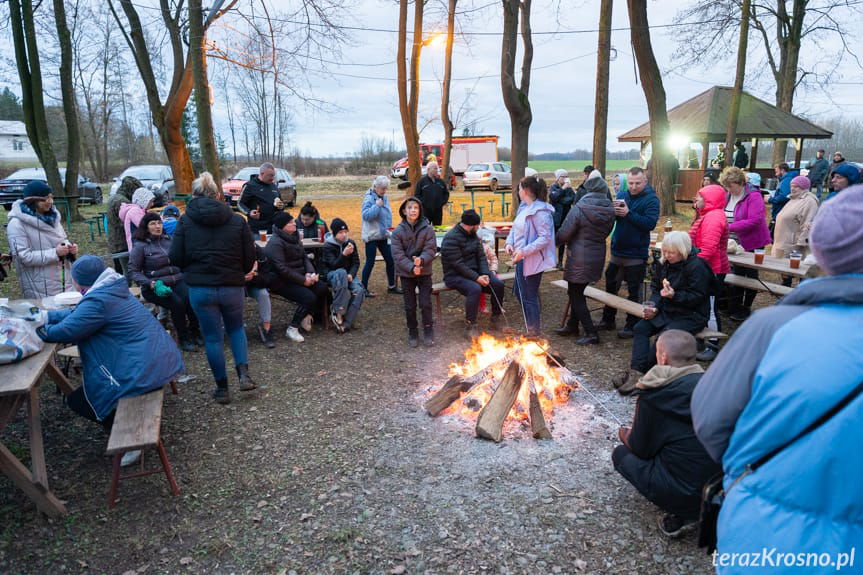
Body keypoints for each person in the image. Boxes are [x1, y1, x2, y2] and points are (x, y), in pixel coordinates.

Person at [691, 185, 863, 571]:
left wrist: (752, 468)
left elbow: (710, 418)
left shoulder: (773, 327)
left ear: (824, 248)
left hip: (769, 536)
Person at [38, 256, 183, 441]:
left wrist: (37, 330)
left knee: (79, 401)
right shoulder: (110, 290)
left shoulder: (98, 301)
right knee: (89, 393)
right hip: (157, 359)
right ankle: (128, 425)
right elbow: (77, 314)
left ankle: (132, 435)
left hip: (143, 371)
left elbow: (67, 331)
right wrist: (45, 317)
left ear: (79, 280)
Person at [613, 330, 721, 538]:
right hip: (726, 482)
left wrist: (625, 434)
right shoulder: (717, 385)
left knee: (621, 454)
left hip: (688, 492)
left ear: (662, 357)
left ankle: (685, 512)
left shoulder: (655, 394)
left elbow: (640, 450)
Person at [169, 172, 256, 404]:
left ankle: (222, 388)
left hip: (200, 288)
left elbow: (175, 256)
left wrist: (193, 267)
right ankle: (244, 374)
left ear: (194, 195)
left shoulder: (185, 221)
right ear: (218, 195)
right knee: (236, 329)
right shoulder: (237, 220)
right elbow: (249, 260)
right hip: (232, 286)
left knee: (213, 338)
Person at [613, 231, 712, 394]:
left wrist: (675, 295)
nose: (667, 255)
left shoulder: (697, 266)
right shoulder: (664, 263)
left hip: (692, 315)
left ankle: (648, 378)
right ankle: (636, 372)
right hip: (669, 309)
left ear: (683, 250)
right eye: (665, 251)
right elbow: (657, 288)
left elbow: (698, 296)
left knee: (662, 339)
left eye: (671, 252)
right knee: (640, 328)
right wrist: (655, 307)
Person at [599, 167, 660, 338]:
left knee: (634, 291)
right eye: (631, 183)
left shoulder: (651, 199)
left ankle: (631, 324)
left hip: (636, 253)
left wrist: (628, 213)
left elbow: (649, 223)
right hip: (618, 249)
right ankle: (608, 319)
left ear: (645, 182)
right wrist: (613, 213)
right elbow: (616, 219)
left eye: (637, 183)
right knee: (611, 286)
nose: (633, 186)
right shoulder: (622, 195)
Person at [555, 173, 615, 345]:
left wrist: (556, 242)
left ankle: (591, 332)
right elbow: (607, 231)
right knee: (577, 291)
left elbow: (565, 232)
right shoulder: (610, 209)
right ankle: (572, 325)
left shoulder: (580, 207)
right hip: (597, 254)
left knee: (575, 293)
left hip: (579, 256)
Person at [128, 212, 201, 352]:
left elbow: (183, 259)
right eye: (153, 224)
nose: (157, 226)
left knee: (191, 298)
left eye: (159, 223)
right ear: (146, 227)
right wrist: (149, 283)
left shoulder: (169, 240)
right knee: (177, 304)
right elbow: (133, 271)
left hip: (177, 279)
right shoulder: (140, 246)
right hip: (155, 285)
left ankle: (195, 332)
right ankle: (183, 338)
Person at [6, 180, 79, 299]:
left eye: (51, 198)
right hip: (39, 285)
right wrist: (55, 253)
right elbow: (23, 257)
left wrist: (69, 248)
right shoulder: (17, 224)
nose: (50, 202)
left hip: (64, 278)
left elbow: (61, 239)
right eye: (44, 199)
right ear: (32, 200)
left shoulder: (52, 218)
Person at [265, 211, 328, 343]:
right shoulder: (275, 243)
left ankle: (307, 315)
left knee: (322, 287)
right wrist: (303, 280)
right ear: (283, 226)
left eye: (293, 221)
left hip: (298, 276)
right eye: (290, 222)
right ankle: (292, 328)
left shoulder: (295, 237)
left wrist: (309, 273)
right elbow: (281, 269)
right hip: (280, 281)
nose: (295, 223)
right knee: (308, 297)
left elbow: (304, 258)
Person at [442, 209, 505, 339]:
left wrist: (485, 273)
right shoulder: (450, 238)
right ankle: (471, 326)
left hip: (476, 273)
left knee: (498, 284)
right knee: (475, 288)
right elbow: (458, 265)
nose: (478, 228)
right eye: (477, 225)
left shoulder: (473, 235)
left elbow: (481, 256)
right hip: (455, 275)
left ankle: (495, 319)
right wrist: (477, 278)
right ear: (470, 225)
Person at [505, 176, 556, 337]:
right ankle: (531, 325)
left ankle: (534, 331)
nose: (518, 191)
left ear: (526, 191)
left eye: (519, 188)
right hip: (521, 258)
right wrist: (509, 243)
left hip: (532, 260)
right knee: (519, 292)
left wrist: (524, 251)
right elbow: (514, 229)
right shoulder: (524, 207)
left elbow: (545, 238)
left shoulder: (541, 212)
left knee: (529, 295)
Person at [720, 167, 772, 322]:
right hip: (733, 241)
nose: (728, 189)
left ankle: (745, 307)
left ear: (740, 182)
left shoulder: (754, 196)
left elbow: (755, 220)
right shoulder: (728, 196)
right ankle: (734, 306)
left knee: (749, 275)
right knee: (735, 273)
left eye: (731, 186)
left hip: (751, 241)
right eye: (726, 186)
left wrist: (729, 227)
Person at [688, 185, 729, 361]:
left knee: (710, 307)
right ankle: (700, 339)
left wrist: (691, 265)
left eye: (699, 197)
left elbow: (709, 248)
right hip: (705, 267)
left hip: (712, 269)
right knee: (700, 306)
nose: (695, 199)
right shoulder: (706, 215)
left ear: (710, 199)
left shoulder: (713, 217)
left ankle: (712, 344)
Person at [391, 197, 437, 347]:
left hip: (424, 271)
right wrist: (412, 267)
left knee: (425, 303)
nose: (413, 210)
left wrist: (421, 261)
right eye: (410, 208)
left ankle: (428, 330)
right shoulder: (397, 231)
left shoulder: (428, 229)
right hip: (406, 273)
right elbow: (397, 255)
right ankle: (413, 331)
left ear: (420, 210)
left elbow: (431, 249)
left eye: (416, 208)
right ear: (404, 211)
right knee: (410, 305)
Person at [320, 217, 364, 334]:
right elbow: (333, 266)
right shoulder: (327, 246)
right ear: (334, 234)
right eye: (340, 233)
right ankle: (338, 312)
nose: (344, 235)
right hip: (331, 275)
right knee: (341, 272)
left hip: (347, 275)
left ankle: (347, 322)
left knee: (359, 290)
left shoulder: (351, 243)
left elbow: (356, 262)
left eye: (345, 232)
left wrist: (351, 274)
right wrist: (344, 255)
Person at [360, 176, 400, 297]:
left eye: (386, 188)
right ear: (375, 186)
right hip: (372, 236)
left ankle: (392, 286)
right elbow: (366, 216)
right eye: (382, 188)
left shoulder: (384, 197)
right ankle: (363, 289)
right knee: (370, 262)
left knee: (390, 260)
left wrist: (389, 228)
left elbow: (386, 215)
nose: (384, 191)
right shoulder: (368, 198)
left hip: (383, 235)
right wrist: (376, 206)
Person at [238, 162, 285, 235]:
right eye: (270, 176)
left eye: (273, 176)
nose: (272, 178)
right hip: (257, 230)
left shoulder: (274, 186)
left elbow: (281, 203)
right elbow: (240, 203)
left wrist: (281, 206)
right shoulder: (250, 186)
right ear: (262, 174)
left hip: (274, 228)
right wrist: (249, 212)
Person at [107, 176, 141, 274]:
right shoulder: (122, 202)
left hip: (116, 241)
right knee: (125, 272)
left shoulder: (115, 197)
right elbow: (128, 223)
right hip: (122, 242)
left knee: (120, 270)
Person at [245, 244, 275, 348]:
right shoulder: (231, 251)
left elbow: (267, 279)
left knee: (264, 294)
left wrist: (254, 275)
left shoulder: (258, 252)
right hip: (235, 285)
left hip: (254, 284)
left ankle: (267, 328)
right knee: (235, 296)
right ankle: (237, 331)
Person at [548, 169, 576, 267]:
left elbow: (573, 199)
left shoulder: (569, 189)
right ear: (558, 178)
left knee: (563, 241)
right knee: (552, 240)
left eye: (566, 176)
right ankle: (551, 260)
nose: (565, 178)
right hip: (555, 218)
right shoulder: (553, 187)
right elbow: (553, 198)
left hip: (565, 218)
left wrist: (561, 200)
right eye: (563, 176)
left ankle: (560, 262)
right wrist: (563, 189)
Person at [414, 161, 450, 226]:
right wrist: (424, 203)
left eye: (437, 169)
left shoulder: (441, 182)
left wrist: (442, 202)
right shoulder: (422, 182)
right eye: (435, 168)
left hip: (438, 211)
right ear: (428, 169)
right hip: (425, 211)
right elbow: (417, 195)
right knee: (425, 229)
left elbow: (446, 193)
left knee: (437, 229)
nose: (437, 170)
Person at [767, 162, 798, 228]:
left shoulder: (786, 181)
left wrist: (770, 199)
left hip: (782, 211)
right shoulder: (785, 180)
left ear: (782, 170)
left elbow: (784, 196)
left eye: (777, 171)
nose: (775, 174)